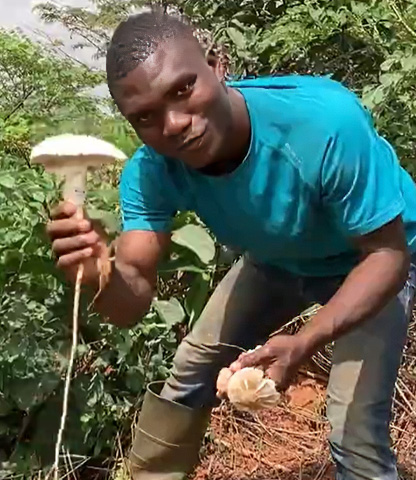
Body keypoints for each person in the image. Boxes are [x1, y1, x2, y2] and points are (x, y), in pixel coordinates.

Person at [46, 11, 416, 480]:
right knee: (187, 376)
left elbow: (387, 255)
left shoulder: (322, 124)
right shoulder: (152, 171)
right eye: (146, 117)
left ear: (216, 65)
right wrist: (99, 273)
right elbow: (131, 295)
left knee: (354, 431)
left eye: (183, 89)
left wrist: (304, 341)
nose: (174, 124)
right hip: (276, 259)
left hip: (372, 256)